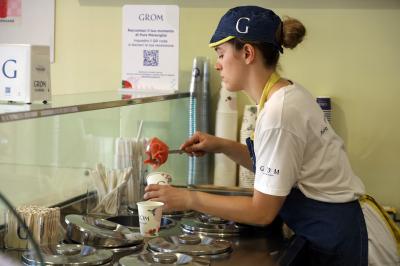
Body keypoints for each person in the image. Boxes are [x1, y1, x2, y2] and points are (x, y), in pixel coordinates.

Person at [144, 6, 400, 265]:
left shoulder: (280, 113)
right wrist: (221, 146)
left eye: (221, 54)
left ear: (247, 53)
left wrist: (188, 198)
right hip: (335, 231)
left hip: (346, 241)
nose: (218, 65)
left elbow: (262, 212)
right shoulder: (285, 95)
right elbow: (278, 165)